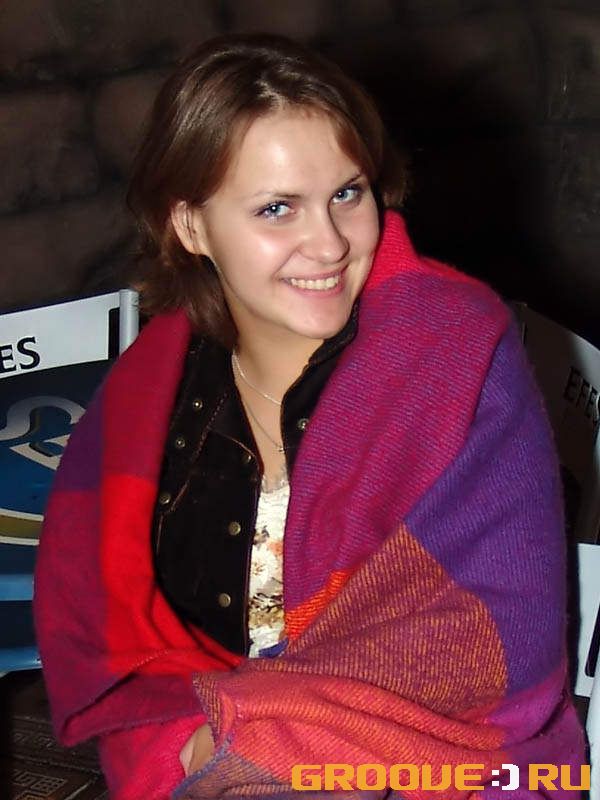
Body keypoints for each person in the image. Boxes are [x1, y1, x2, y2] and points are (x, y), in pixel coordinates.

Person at [34, 33, 584, 800]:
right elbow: (97, 629)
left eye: (347, 195)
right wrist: (195, 747)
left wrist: (254, 743)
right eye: (277, 208)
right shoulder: (145, 394)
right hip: (198, 751)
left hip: (450, 766)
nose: (327, 244)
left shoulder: (455, 353)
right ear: (190, 226)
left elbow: (496, 642)